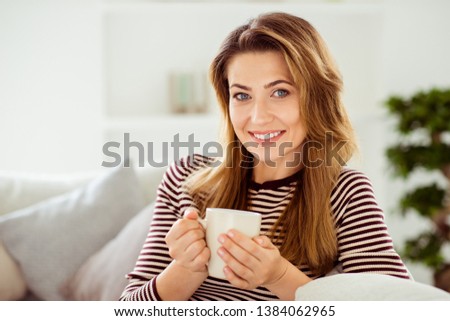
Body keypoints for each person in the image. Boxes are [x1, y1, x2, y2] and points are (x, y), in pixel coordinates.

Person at [119, 12, 411, 301]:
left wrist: (279, 277)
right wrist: (185, 269)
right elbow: (127, 308)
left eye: (280, 92)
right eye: (242, 96)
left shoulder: (345, 193)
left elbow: (394, 307)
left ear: (316, 98)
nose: (257, 118)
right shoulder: (186, 179)